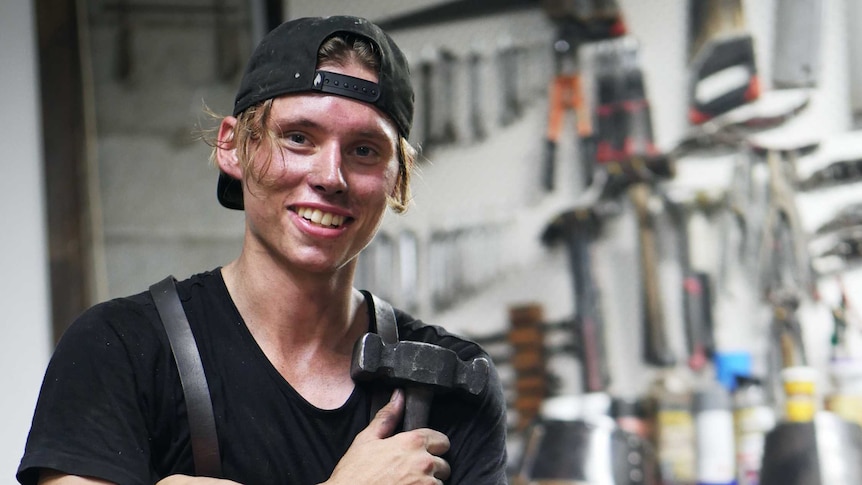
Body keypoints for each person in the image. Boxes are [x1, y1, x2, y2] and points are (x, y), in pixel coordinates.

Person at [17, 15, 508, 485]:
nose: (329, 177)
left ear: (397, 180)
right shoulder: (119, 352)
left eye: (364, 150)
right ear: (233, 147)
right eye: (298, 138)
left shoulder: (456, 384)